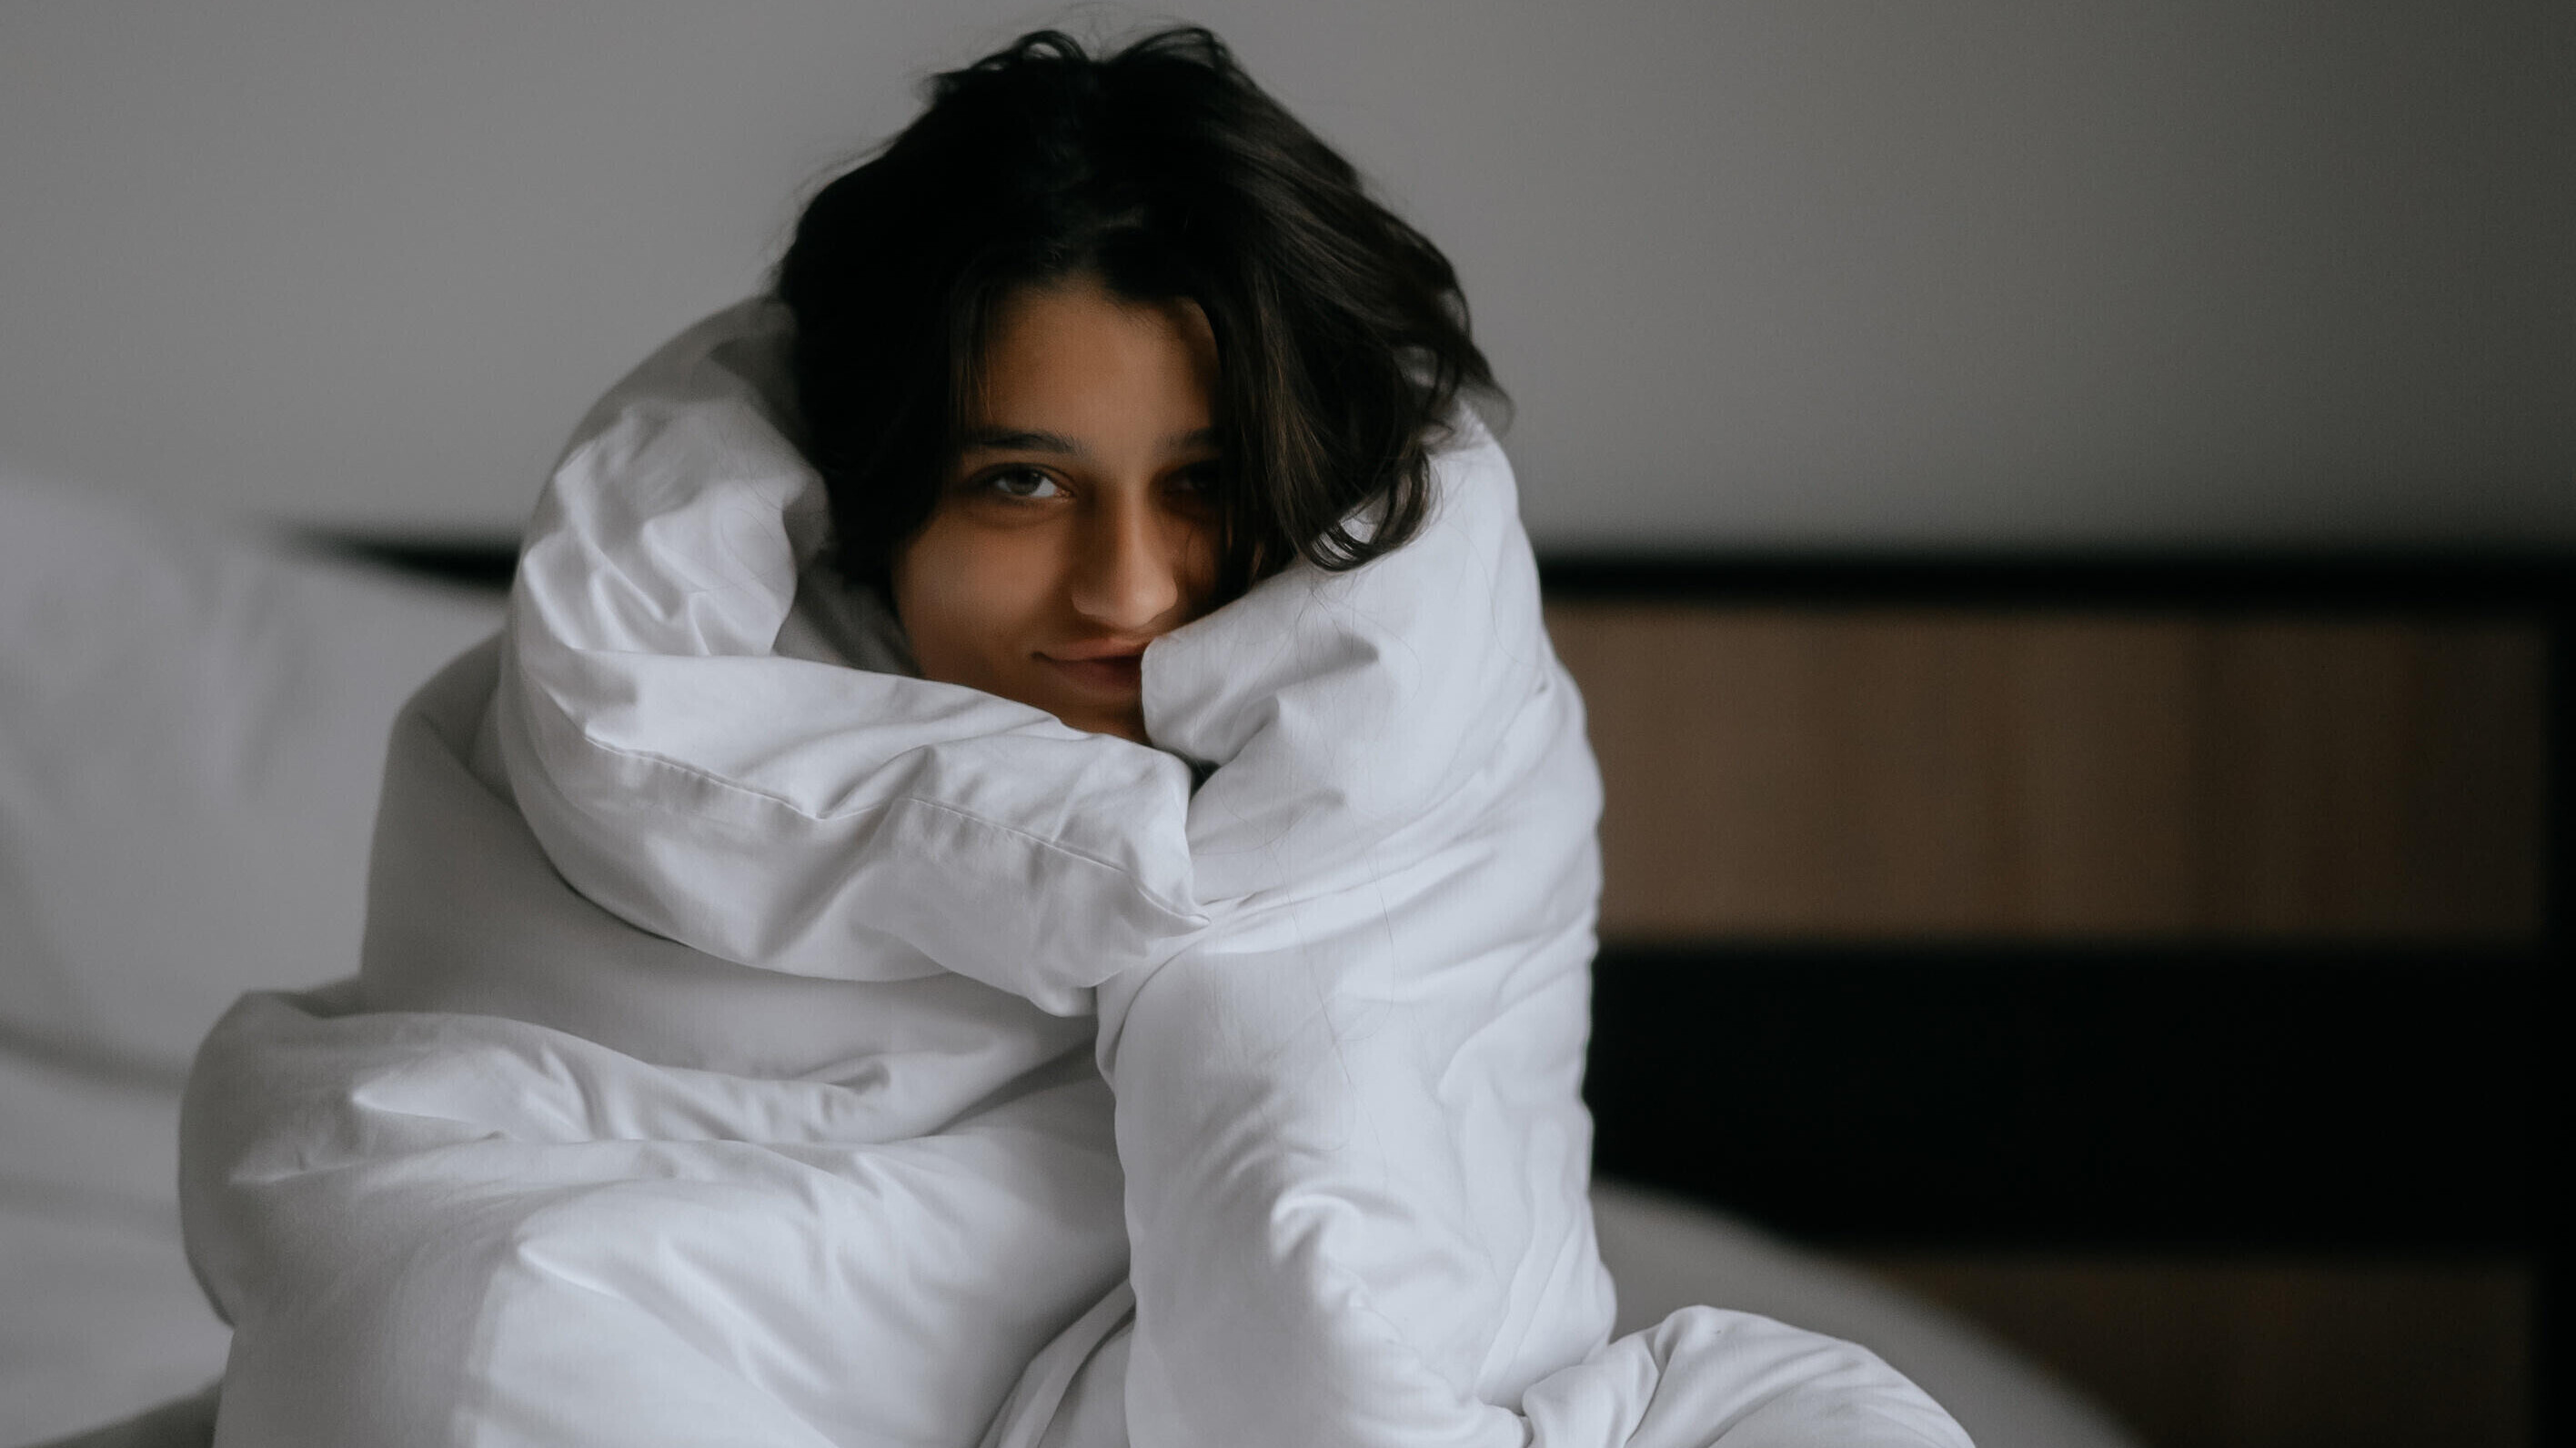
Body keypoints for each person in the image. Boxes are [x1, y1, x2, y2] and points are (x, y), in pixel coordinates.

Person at [178, 25, 1969, 1448]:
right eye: (1023, 482)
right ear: (877, 508)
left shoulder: (1420, 755)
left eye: (1205, 488)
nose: (1129, 588)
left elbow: (1374, 1169)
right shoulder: (615, 745)